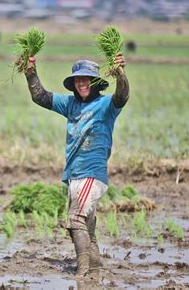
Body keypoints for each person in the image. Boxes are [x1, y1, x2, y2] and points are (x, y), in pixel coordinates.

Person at [23, 53, 129, 277]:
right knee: (86, 229)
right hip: (74, 175)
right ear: (74, 84)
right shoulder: (69, 104)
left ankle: (82, 272)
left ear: (95, 82)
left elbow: (122, 96)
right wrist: (29, 71)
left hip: (92, 174)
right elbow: (40, 96)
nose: (82, 83)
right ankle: (94, 271)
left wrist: (121, 74)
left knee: (75, 219)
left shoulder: (106, 105)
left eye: (86, 79)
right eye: (78, 80)